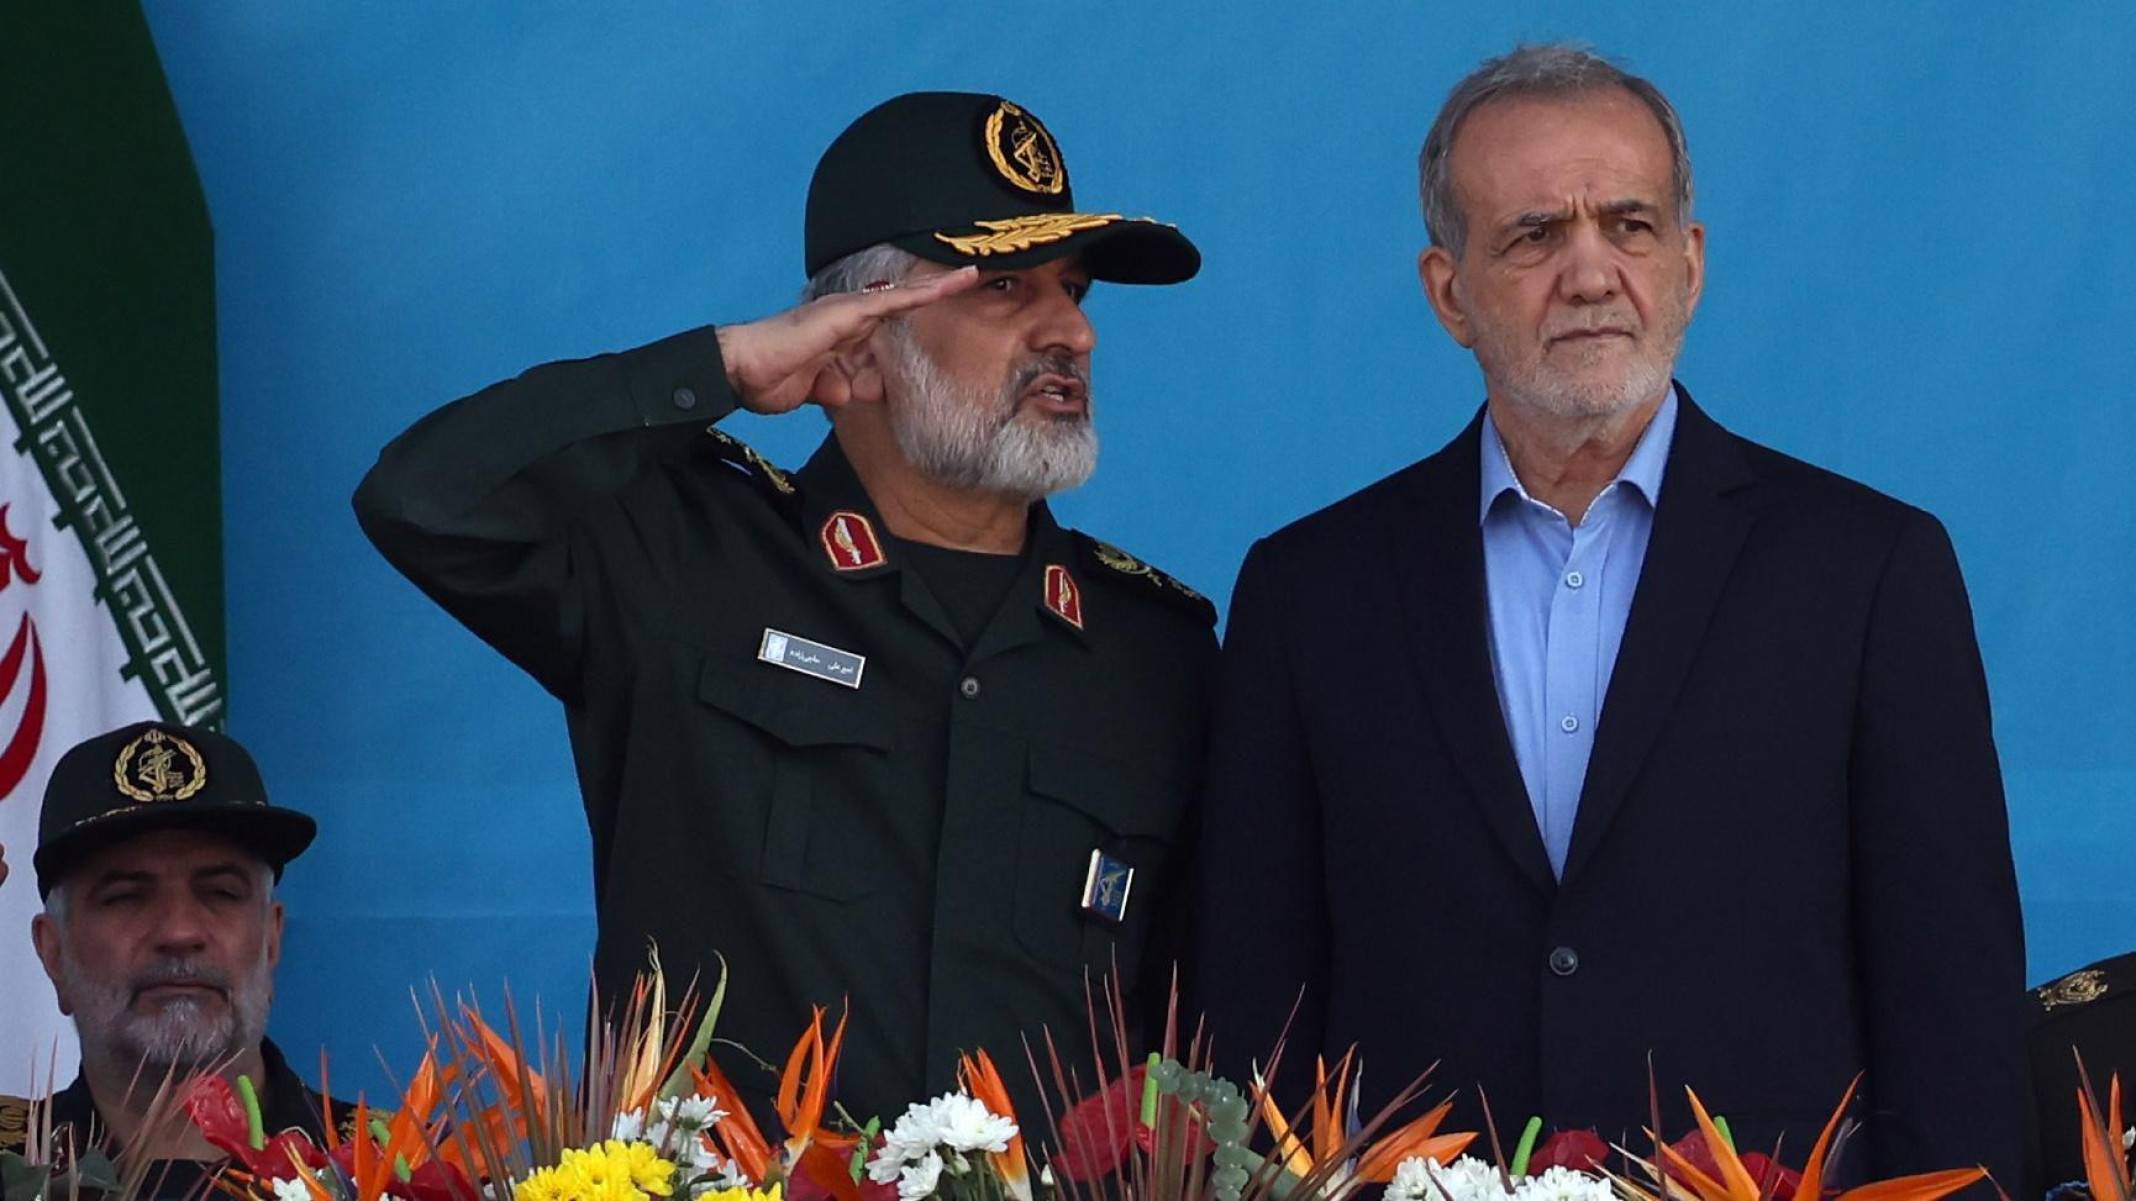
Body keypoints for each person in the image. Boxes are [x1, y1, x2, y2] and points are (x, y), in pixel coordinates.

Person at [1193, 44, 2024, 1187]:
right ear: (1449, 293)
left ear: (1688, 263)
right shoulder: (1311, 590)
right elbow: (1254, 1010)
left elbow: (1953, 1011)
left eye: (1628, 226)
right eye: (1535, 235)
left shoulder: (1869, 570)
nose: (1590, 273)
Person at [354, 92, 1216, 1121]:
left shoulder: (1154, 651)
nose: (1070, 329)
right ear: (857, 338)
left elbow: (1195, 1026)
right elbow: (424, 498)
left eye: (1072, 291)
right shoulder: (683, 561)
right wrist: (716, 366)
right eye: (1004, 287)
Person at [1, 721, 344, 1199]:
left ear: (271, 940)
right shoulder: (8, 1165)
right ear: (52, 953)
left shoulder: (424, 1170)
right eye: (125, 897)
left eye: (221, 893)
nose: (179, 932)